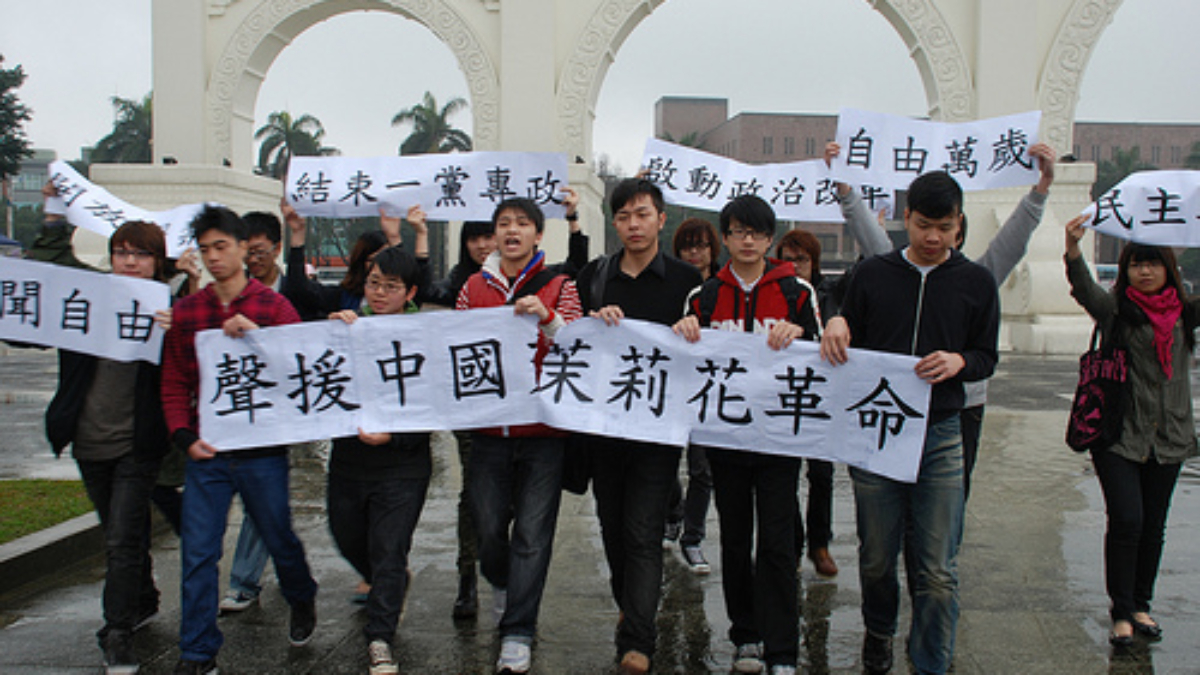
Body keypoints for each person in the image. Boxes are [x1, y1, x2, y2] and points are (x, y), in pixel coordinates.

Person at [820, 171, 999, 675]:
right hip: (877, 432)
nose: (933, 238)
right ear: (905, 219)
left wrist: (962, 362)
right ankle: (879, 630)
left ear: (959, 223)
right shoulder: (875, 273)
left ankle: (930, 663)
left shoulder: (976, 282)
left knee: (938, 568)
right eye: (923, 225)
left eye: (944, 226)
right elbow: (838, 306)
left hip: (941, 432)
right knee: (877, 554)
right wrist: (836, 319)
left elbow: (987, 354)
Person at [161, 205, 319, 675]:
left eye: (222, 247)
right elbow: (172, 382)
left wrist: (258, 340)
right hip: (207, 451)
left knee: (278, 536)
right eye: (205, 249)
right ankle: (197, 651)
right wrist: (183, 435)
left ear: (243, 249)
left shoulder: (274, 308)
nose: (213, 258)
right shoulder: (188, 312)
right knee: (199, 551)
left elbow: (302, 368)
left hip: (261, 451)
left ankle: (301, 594)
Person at [673, 195, 821, 675]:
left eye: (756, 232)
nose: (748, 240)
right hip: (727, 440)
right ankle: (746, 638)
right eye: (738, 231)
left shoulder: (798, 292)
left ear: (770, 238)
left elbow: (825, 355)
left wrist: (802, 336)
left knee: (778, 543)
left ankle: (782, 649)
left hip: (780, 439)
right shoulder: (705, 297)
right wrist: (683, 331)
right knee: (735, 541)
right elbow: (682, 363)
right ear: (727, 237)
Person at [426, 187, 585, 620]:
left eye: (522, 223)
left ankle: (518, 630)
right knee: (490, 527)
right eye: (503, 224)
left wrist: (549, 319)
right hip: (489, 432)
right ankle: (500, 581)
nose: (511, 230)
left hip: (543, 431)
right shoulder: (473, 287)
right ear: (494, 236)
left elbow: (578, 346)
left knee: (532, 534)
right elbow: (456, 345)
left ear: (538, 234)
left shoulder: (560, 285)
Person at [575, 178, 704, 675]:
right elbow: (571, 335)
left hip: (658, 430)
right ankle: (632, 608)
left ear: (660, 218)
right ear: (614, 221)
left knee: (642, 531)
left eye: (643, 214)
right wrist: (592, 318)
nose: (634, 224)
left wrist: (693, 330)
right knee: (611, 528)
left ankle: (638, 641)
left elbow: (710, 346)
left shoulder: (686, 281)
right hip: (605, 429)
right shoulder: (596, 276)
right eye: (624, 215)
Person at [33, 216, 173, 674]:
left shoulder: (167, 311)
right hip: (88, 442)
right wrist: (53, 223)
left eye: (141, 254)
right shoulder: (84, 302)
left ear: (156, 263)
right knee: (123, 533)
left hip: (137, 446)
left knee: (119, 539)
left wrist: (176, 328)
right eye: (122, 253)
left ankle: (117, 633)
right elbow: (39, 290)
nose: (130, 262)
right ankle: (144, 595)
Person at [1064, 214, 1198, 646]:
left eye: (1153, 263)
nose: (1144, 271)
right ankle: (1121, 611)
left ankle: (1141, 604)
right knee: (1127, 520)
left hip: (1169, 437)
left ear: (1168, 268)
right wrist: (1072, 248)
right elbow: (1085, 289)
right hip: (1118, 436)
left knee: (1153, 525)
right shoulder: (1116, 310)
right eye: (1136, 264)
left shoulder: (1185, 314)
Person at [326, 245, 433, 675]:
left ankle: (380, 637)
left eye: (391, 287)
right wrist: (328, 336)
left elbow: (435, 401)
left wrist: (395, 433)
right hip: (349, 461)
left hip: (402, 465)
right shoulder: (348, 327)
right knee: (347, 535)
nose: (380, 293)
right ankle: (389, 583)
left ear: (410, 292)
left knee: (388, 548)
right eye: (373, 284)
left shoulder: (424, 335)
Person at [663, 217, 721, 574]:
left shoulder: (722, 288)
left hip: (710, 390)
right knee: (666, 462)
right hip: (671, 387)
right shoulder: (671, 285)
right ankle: (673, 513)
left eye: (701, 246)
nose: (694, 253)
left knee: (702, 469)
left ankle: (693, 538)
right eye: (687, 246)